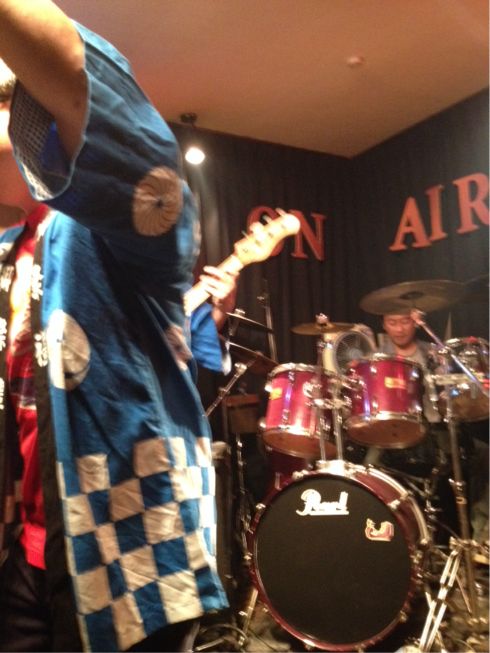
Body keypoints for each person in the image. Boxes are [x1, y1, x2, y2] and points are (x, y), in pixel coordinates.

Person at [0, 1, 227, 651]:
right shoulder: (10, 250)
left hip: (131, 557)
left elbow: (122, 136)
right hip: (26, 553)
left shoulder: (113, 226)